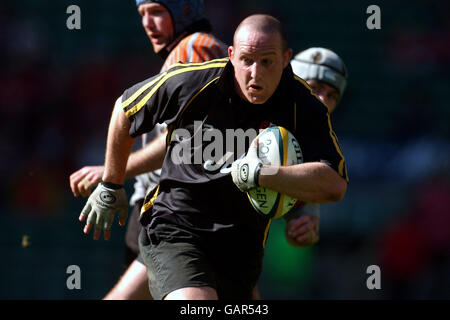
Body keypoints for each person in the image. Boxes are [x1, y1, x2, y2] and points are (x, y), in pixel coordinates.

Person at [79, 14, 348, 300]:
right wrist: (111, 181)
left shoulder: (303, 108)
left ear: (285, 59)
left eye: (266, 62)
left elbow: (333, 184)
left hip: (241, 250)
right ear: (231, 56)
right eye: (247, 60)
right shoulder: (197, 82)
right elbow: (126, 107)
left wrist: (262, 176)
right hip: (176, 229)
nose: (255, 73)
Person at [70, 0, 228, 299]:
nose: (147, 22)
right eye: (142, 14)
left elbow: (183, 141)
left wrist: (112, 173)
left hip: (172, 210)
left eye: (156, 11)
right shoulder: (197, 48)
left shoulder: (193, 49)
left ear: (184, 10)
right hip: (188, 211)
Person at [284, 47, 348, 247]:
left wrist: (304, 222)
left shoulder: (311, 147)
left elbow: (300, 208)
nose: (323, 101)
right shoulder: (250, 113)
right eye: (316, 87)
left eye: (332, 96)